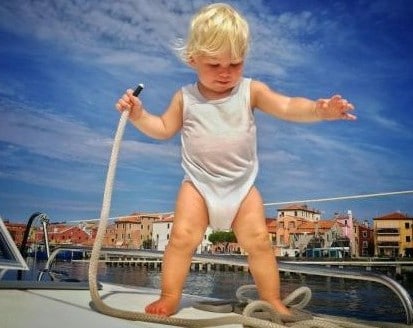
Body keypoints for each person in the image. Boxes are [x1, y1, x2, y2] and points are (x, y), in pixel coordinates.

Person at [116, 2, 355, 317]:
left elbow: (286, 106)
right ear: (193, 59)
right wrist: (139, 115)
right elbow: (162, 129)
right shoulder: (184, 97)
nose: (226, 72)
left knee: (258, 241)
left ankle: (271, 300)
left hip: (242, 188)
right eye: (214, 65)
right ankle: (170, 294)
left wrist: (318, 110)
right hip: (199, 185)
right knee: (182, 238)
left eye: (235, 63)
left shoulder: (250, 91)